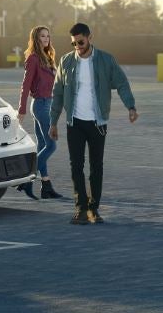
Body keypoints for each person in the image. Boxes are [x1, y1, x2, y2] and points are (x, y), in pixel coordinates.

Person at [49, 23, 138, 225]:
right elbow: (58, 94)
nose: (77, 47)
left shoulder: (105, 60)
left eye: (80, 42)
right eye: (73, 43)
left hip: (98, 123)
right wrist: (53, 122)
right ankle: (80, 208)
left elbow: (122, 83)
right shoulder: (66, 61)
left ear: (90, 38)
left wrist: (130, 107)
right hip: (75, 122)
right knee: (76, 166)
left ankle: (93, 209)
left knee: (96, 166)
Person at [15, 25, 63, 200]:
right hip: (41, 105)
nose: (46, 39)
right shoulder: (34, 58)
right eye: (43, 36)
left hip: (48, 104)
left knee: (43, 146)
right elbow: (25, 85)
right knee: (51, 146)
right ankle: (27, 179)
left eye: (48, 36)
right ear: (36, 38)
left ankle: (46, 186)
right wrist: (21, 109)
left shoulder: (48, 58)